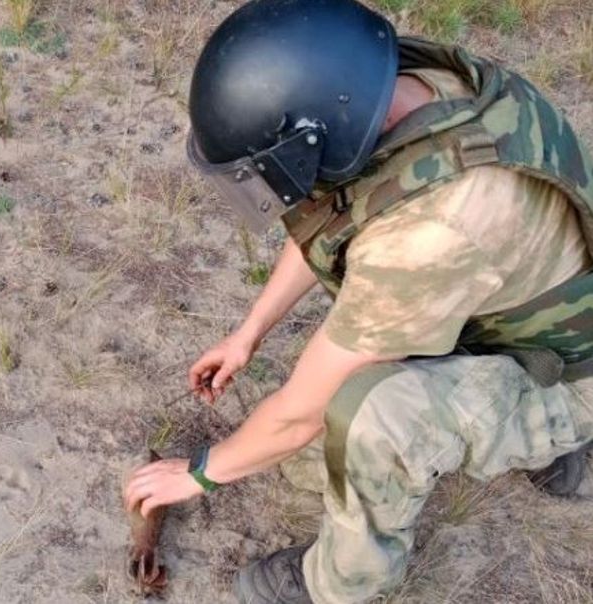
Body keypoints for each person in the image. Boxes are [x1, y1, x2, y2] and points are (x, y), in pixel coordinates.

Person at [121, 0, 593, 602]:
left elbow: (299, 415)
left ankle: (343, 582)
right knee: (305, 449)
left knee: (370, 413)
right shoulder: (402, 89)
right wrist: (249, 333)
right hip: (523, 311)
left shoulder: (436, 229)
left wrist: (201, 474)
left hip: (567, 375)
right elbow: (339, 214)